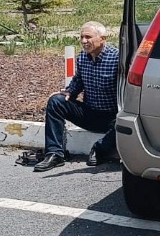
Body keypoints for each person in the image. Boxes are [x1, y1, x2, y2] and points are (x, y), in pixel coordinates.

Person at [35, 22, 120, 171]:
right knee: (56, 101)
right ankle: (54, 154)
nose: (83, 41)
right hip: (90, 113)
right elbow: (77, 83)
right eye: (81, 37)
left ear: (103, 38)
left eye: (88, 37)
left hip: (113, 117)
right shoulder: (83, 57)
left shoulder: (117, 58)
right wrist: (68, 92)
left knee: (124, 123)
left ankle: (99, 150)